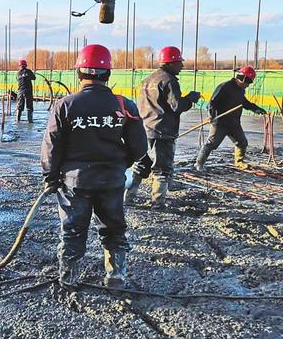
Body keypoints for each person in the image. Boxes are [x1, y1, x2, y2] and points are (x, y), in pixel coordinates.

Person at [41, 44, 148, 289]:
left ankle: (69, 277)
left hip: (75, 182)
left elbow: (51, 146)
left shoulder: (66, 105)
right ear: (108, 73)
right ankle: (115, 275)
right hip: (111, 181)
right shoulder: (125, 106)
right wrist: (121, 164)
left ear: (79, 73)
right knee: (113, 228)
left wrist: (50, 175)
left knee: (73, 230)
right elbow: (140, 148)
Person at [125, 46, 200, 209]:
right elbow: (177, 106)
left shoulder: (148, 80)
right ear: (171, 62)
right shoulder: (169, 80)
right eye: (179, 62)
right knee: (162, 169)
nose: (182, 66)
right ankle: (158, 203)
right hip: (162, 132)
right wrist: (191, 98)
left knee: (141, 165)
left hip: (145, 129)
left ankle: (128, 198)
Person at [195, 66, 266, 171]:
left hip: (234, 123)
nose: (248, 85)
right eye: (248, 82)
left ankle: (239, 162)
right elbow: (212, 103)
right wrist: (212, 116)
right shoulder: (225, 87)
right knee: (211, 144)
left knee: (242, 142)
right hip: (220, 123)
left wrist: (255, 108)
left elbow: (244, 103)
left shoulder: (241, 90)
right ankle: (199, 164)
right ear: (242, 78)